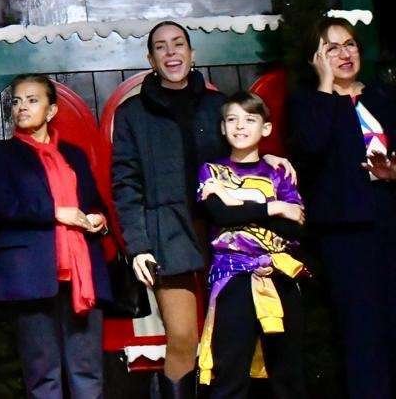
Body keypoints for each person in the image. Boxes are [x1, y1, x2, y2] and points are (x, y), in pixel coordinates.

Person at [112, 20, 295, 398]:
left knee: (233, 337)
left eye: (178, 43)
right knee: (182, 337)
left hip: (225, 232)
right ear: (151, 59)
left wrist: (267, 158)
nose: (171, 52)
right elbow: (125, 184)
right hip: (167, 234)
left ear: (192, 53)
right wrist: (138, 246)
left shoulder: (217, 105)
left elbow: (240, 149)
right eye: (161, 46)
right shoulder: (132, 113)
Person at [0, 75, 111, 399]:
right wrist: (56, 213)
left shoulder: (73, 154)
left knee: (87, 371)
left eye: (32, 100)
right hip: (31, 275)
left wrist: (98, 219)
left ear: (51, 110)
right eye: (16, 101)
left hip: (81, 275)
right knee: (42, 374)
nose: (22, 107)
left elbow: (93, 202)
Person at [289, 17, 396, 399]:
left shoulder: (383, 96)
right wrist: (325, 86)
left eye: (349, 44)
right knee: (361, 333)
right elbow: (311, 147)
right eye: (331, 48)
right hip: (344, 234)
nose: (344, 54)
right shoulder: (307, 102)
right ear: (316, 58)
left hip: (388, 220)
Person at [196, 92, 307, 398]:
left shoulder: (279, 172)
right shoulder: (211, 172)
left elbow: (294, 224)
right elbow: (219, 214)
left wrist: (237, 207)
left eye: (250, 119)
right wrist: (273, 207)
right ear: (222, 128)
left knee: (288, 372)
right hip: (233, 277)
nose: (240, 126)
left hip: (279, 274)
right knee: (230, 370)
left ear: (266, 128)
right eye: (232, 119)